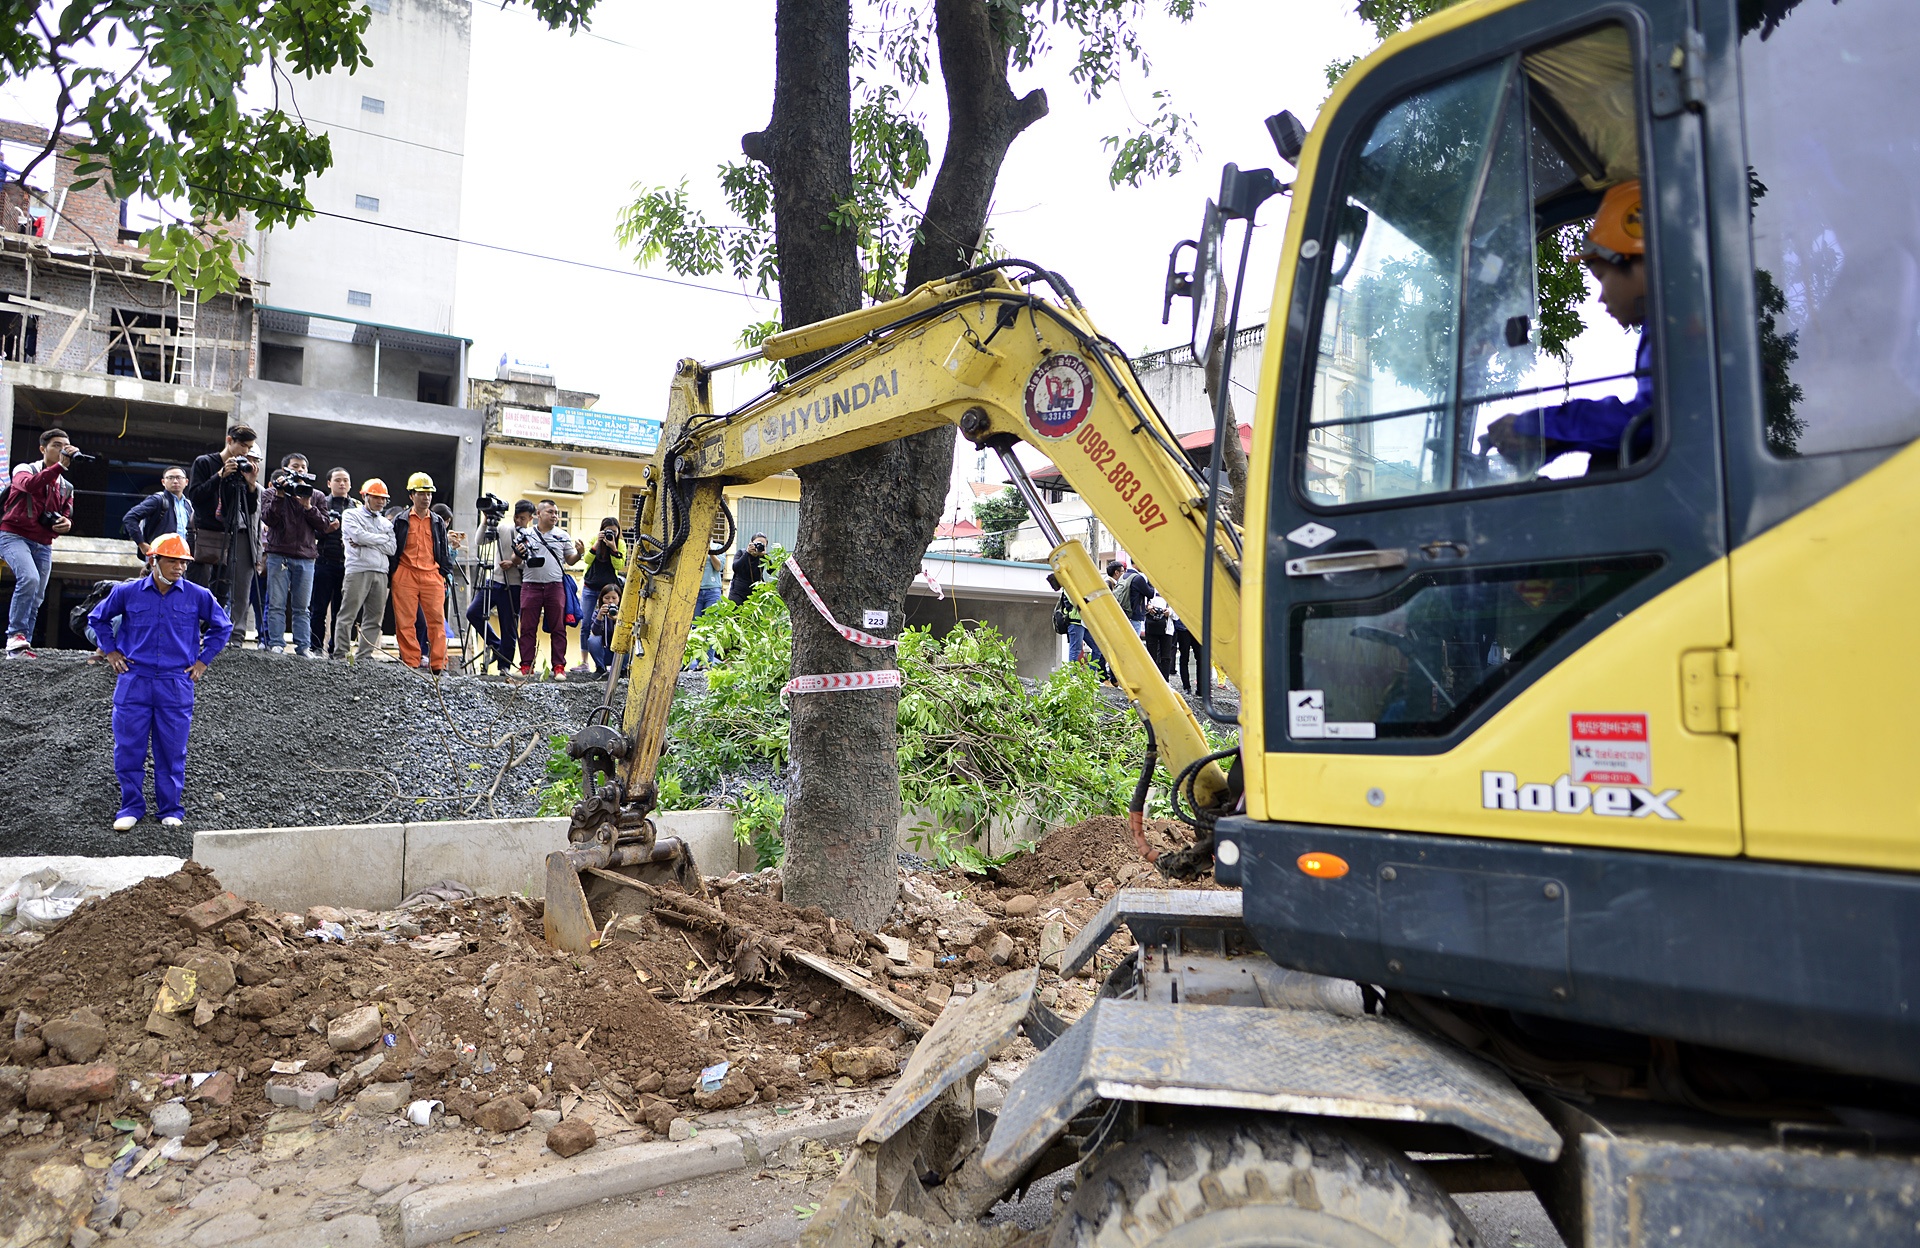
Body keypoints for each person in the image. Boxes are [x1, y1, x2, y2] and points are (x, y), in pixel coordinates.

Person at [1484, 180, 1652, 469]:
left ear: (1638, 260)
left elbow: (1648, 422)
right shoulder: (1675, 327)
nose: (1601, 298)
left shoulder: (1684, 329)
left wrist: (1534, 426)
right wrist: (1549, 438)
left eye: (1601, 277)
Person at [89, 532, 233, 831]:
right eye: (172, 561)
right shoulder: (127, 593)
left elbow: (223, 626)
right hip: (134, 679)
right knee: (129, 748)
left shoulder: (198, 595)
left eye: (183, 562)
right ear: (153, 560)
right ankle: (130, 806)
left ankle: (171, 809)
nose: (179, 567)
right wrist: (112, 651)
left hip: (175, 682)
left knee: (172, 749)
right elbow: (97, 618)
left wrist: (203, 662)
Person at [1, 428, 79, 657]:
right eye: (56, 445)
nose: (62, 449)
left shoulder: (67, 486)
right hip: (13, 535)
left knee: (37, 594)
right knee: (29, 578)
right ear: (43, 449)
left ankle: (22, 646)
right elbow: (29, 486)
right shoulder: (25, 469)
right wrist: (60, 467)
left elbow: (67, 513)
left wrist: (66, 523)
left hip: (43, 543)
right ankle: (15, 634)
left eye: (65, 445)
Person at [186, 424, 262, 633]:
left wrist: (251, 485)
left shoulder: (241, 469)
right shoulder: (205, 462)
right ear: (230, 441)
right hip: (202, 531)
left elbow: (250, 509)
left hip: (227, 533)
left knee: (222, 586)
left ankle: (212, 633)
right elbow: (195, 496)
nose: (246, 452)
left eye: (250, 447)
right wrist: (219, 476)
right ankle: (191, 632)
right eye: (243, 446)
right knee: (198, 586)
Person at [260, 453, 331, 658]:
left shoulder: (316, 495)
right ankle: (276, 644)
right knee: (276, 603)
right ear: (285, 470)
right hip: (278, 554)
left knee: (302, 607)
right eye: (295, 466)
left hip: (306, 557)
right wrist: (280, 496)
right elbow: (269, 519)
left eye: (303, 467)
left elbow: (324, 525)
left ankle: (303, 647)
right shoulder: (271, 493)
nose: (299, 470)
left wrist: (308, 506)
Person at [389, 473, 455, 674]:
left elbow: (443, 550)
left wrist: (445, 575)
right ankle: (411, 662)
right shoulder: (400, 520)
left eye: (429, 493)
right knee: (405, 620)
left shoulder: (436, 522)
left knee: (436, 620)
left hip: (432, 575)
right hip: (405, 573)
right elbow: (393, 548)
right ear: (411, 495)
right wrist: (393, 574)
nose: (426, 497)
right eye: (421, 493)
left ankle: (437, 664)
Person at [514, 499, 581, 679]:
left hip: (555, 585)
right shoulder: (525, 534)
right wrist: (519, 553)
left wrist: (580, 553)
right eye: (550, 512)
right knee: (527, 626)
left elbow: (570, 559)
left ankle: (559, 666)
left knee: (558, 626)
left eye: (556, 513)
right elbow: (515, 560)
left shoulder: (563, 535)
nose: (555, 516)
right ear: (538, 514)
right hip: (530, 585)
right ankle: (526, 666)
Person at [334, 479, 395, 662]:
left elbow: (392, 548)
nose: (381, 502)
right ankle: (341, 654)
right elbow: (357, 536)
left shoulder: (386, 523)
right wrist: (379, 539)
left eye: (383, 499)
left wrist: (367, 540)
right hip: (358, 570)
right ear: (365, 496)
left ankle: (364, 655)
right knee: (348, 614)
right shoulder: (351, 515)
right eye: (376, 497)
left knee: (374, 618)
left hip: (381, 572)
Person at [467, 498, 531, 673]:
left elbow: (530, 564)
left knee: (508, 627)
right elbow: (480, 541)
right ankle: (496, 645)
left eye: (523, 518)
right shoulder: (503, 528)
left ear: (530, 518)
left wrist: (514, 564)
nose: (519, 521)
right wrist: (485, 521)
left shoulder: (531, 536)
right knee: (473, 612)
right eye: (517, 517)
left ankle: (504, 666)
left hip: (515, 585)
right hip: (494, 581)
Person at [310, 468, 352, 657]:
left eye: (345, 480)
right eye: (337, 480)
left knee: (341, 610)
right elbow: (309, 532)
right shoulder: (320, 503)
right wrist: (326, 529)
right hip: (324, 561)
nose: (342, 484)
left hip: (348, 564)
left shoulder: (356, 507)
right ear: (329, 483)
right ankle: (316, 646)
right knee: (318, 607)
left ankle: (337, 649)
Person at [121, 466, 195, 560]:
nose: (175, 481)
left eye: (179, 477)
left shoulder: (188, 505)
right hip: (160, 555)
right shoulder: (158, 500)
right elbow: (130, 517)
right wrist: (141, 544)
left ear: (186, 482)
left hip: (183, 556)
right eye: (170, 478)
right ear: (163, 482)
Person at [582, 580, 622, 675]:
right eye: (607, 598)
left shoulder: (624, 613)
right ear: (602, 599)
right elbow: (595, 632)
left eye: (614, 598)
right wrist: (600, 616)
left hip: (619, 652)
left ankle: (622, 670)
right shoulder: (597, 613)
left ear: (619, 599)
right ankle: (600, 668)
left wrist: (617, 620)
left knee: (627, 640)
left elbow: (627, 632)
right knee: (592, 640)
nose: (610, 601)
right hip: (604, 650)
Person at [583, 516, 626, 598]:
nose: (611, 534)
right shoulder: (594, 539)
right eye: (607, 531)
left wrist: (614, 549)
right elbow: (587, 560)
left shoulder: (620, 544)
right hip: (590, 585)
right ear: (602, 530)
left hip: (609, 588)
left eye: (614, 531)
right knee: (585, 611)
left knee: (607, 610)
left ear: (618, 532)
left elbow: (619, 566)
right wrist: (597, 543)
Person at [728, 532, 769, 604]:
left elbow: (772, 571)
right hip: (737, 593)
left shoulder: (763, 558)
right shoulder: (741, 552)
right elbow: (735, 568)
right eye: (757, 544)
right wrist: (747, 553)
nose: (758, 546)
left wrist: (766, 557)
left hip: (755, 594)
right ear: (751, 543)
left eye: (762, 545)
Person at [1172, 613, 1201, 694]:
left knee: (1200, 658)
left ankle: (1199, 688)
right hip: (1184, 626)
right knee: (1185, 657)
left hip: (1195, 626)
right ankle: (1187, 686)